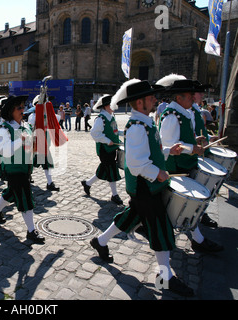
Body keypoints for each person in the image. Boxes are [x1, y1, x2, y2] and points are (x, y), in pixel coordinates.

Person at [90, 79, 195, 297]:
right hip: (144, 187)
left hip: (146, 187)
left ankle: (100, 241)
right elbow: (136, 163)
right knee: (160, 229)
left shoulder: (145, 122)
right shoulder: (137, 126)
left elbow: (149, 151)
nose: (155, 100)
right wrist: (157, 173)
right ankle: (164, 278)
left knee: (131, 217)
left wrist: (168, 151)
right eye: (150, 97)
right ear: (139, 103)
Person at [158, 77, 223, 253]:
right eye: (189, 96)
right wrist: (192, 148)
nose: (193, 98)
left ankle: (197, 238)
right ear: (179, 97)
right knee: (184, 204)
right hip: (176, 166)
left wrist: (194, 141)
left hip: (185, 163)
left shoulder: (184, 112)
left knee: (184, 205)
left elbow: (181, 139)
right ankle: (198, 240)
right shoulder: (172, 115)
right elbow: (168, 145)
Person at [0, 95, 45, 244]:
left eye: (23, 106)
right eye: (19, 107)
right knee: (25, 196)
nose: (23, 109)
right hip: (13, 168)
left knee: (12, 193)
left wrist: (35, 145)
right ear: (10, 111)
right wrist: (19, 141)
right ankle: (31, 231)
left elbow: (29, 147)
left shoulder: (26, 126)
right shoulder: (3, 129)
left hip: (25, 167)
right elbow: (3, 151)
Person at [81, 94, 123, 205]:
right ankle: (115, 195)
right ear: (105, 106)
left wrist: (124, 133)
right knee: (111, 170)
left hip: (112, 148)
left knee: (104, 170)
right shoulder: (101, 118)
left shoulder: (111, 117)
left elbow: (114, 131)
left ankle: (87, 183)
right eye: (111, 104)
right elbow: (94, 133)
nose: (113, 106)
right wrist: (106, 140)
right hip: (105, 149)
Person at [28, 95, 60, 192]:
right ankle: (49, 183)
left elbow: (57, 120)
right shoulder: (33, 116)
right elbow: (32, 129)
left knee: (39, 162)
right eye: (45, 102)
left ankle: (49, 182)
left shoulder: (49, 115)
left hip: (45, 144)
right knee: (36, 162)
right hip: (36, 144)